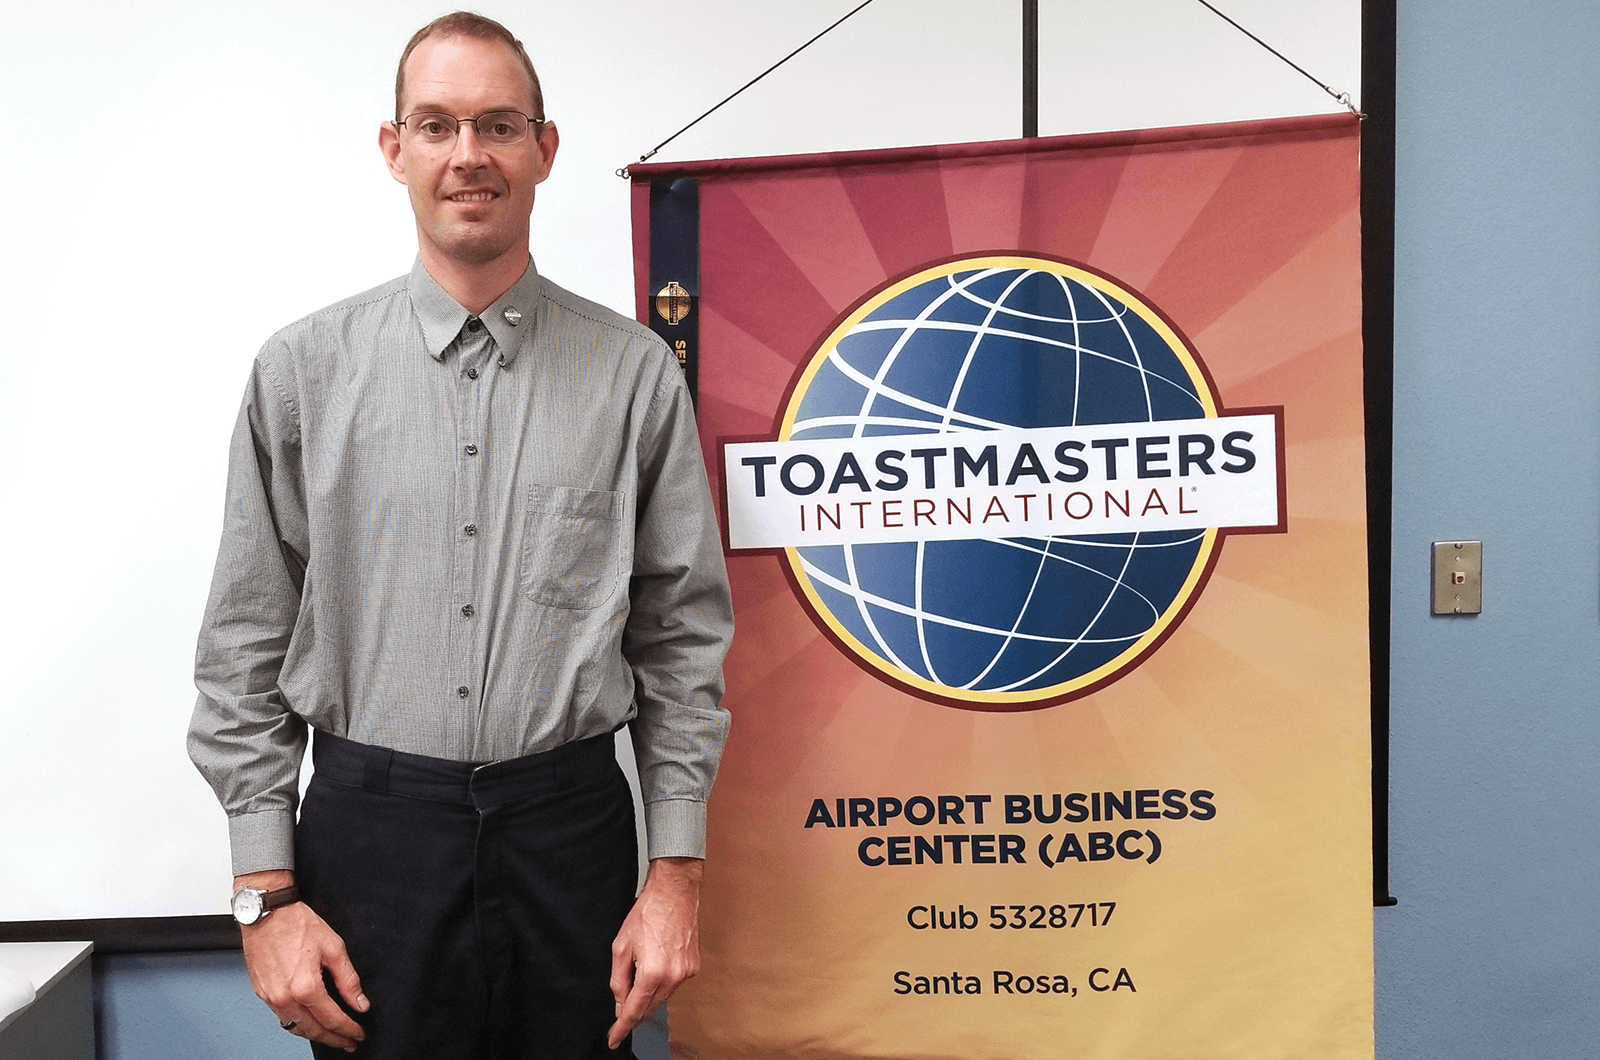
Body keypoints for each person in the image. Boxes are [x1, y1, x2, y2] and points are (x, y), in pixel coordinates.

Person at [187, 12, 733, 1058]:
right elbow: (244, 647)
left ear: (544, 147)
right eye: (436, 126)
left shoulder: (633, 379)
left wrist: (675, 876)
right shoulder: (301, 374)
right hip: (367, 845)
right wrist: (264, 897)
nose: (468, 154)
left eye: (496, 123)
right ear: (394, 150)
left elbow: (679, 642)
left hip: (570, 836)